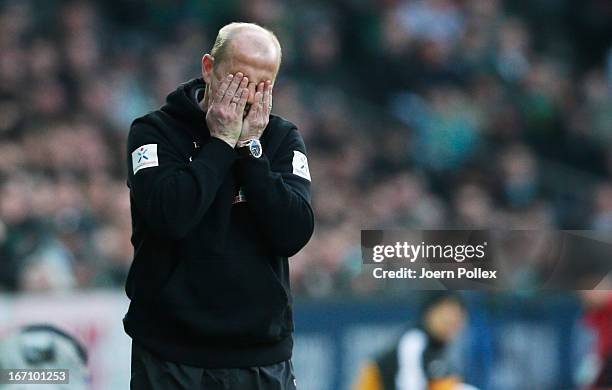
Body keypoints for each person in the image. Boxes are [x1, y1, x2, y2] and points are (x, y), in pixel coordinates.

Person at [123, 22, 314, 390]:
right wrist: (222, 143)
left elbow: (294, 232)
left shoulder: (281, 138)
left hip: (260, 357)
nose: (247, 96)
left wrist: (251, 153)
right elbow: (169, 217)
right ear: (209, 67)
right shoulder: (154, 132)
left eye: (261, 86)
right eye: (238, 79)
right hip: (170, 354)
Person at [352, 292, 477, 390]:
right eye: (446, 314)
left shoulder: (440, 345)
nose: (451, 320)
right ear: (429, 313)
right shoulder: (414, 342)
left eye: (457, 315)